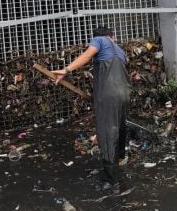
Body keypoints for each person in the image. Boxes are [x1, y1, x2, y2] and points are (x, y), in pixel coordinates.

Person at [52, 26, 130, 189]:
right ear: (113, 36)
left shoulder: (100, 40)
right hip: (124, 94)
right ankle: (121, 158)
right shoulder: (120, 51)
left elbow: (88, 55)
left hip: (108, 95)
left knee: (107, 132)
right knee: (120, 127)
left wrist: (66, 70)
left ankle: (111, 180)